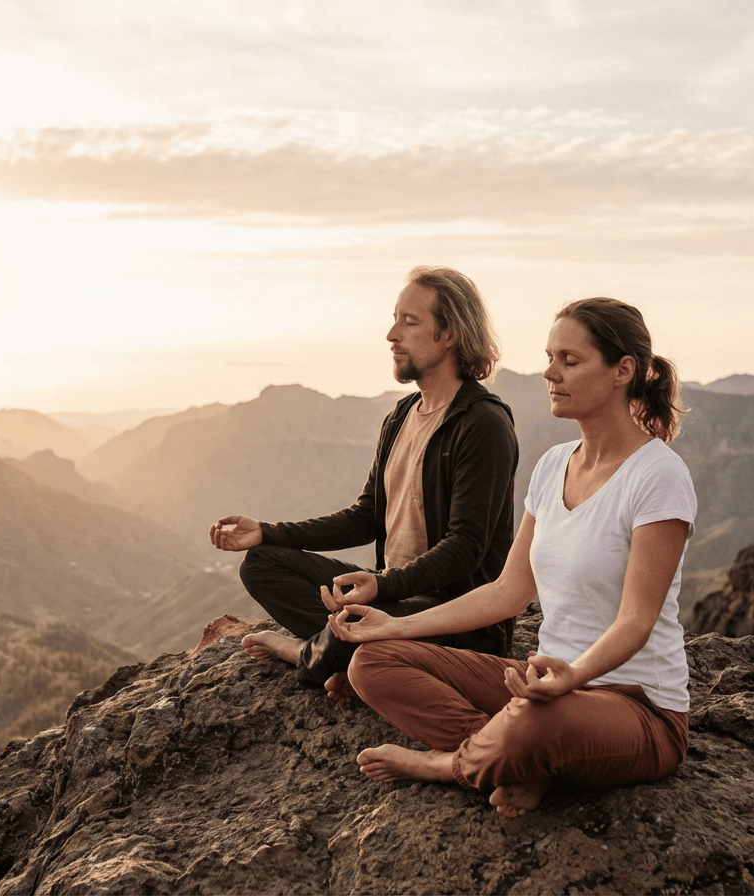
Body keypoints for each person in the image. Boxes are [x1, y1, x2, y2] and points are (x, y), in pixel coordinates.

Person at [328, 297, 696, 819]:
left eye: (570, 360)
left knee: (530, 722)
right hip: (541, 687)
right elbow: (508, 592)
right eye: (550, 357)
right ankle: (516, 763)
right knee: (373, 662)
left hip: (636, 706)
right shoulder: (552, 466)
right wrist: (395, 627)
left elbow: (636, 620)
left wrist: (572, 677)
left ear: (624, 371)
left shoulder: (658, 475)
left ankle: (447, 764)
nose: (550, 372)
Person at [209, 266, 520, 701]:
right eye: (395, 319)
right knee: (262, 564)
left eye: (410, 322)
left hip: (452, 616)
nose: (392, 334)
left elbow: (466, 548)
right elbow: (367, 516)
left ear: (449, 334)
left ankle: (309, 653)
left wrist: (384, 588)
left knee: (355, 622)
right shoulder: (400, 417)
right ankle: (345, 652)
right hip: (391, 593)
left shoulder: (482, 424)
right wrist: (267, 532)